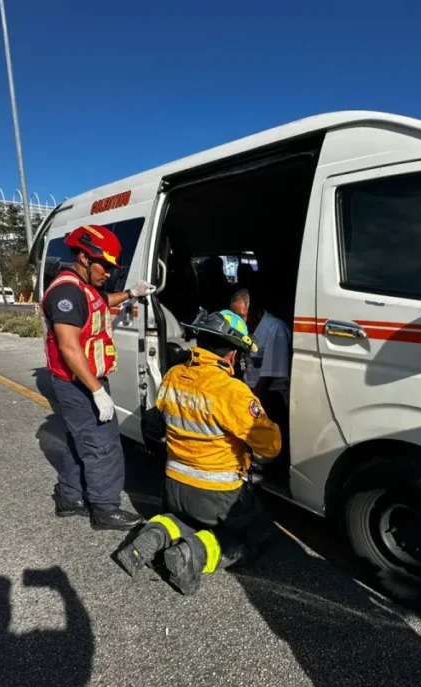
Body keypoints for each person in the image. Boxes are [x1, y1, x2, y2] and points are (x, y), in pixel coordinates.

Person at [113, 309, 281, 596]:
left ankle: (153, 535)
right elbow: (271, 446)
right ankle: (193, 554)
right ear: (232, 355)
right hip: (218, 494)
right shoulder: (233, 391)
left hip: (174, 488)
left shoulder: (174, 376)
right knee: (257, 537)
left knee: (181, 520)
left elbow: (158, 423)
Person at [42, 225, 152, 531]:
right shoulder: (67, 291)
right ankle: (105, 509)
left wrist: (132, 293)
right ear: (82, 258)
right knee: (103, 445)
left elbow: (103, 300)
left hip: (82, 380)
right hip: (78, 382)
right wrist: (97, 392)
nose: (109, 273)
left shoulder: (83, 287)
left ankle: (70, 497)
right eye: (104, 266)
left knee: (81, 440)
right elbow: (68, 345)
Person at [229, 288, 292, 473]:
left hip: (271, 394)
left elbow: (267, 377)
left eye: (241, 316)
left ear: (254, 310)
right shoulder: (243, 328)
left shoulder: (275, 330)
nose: (238, 322)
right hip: (251, 388)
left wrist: (247, 401)